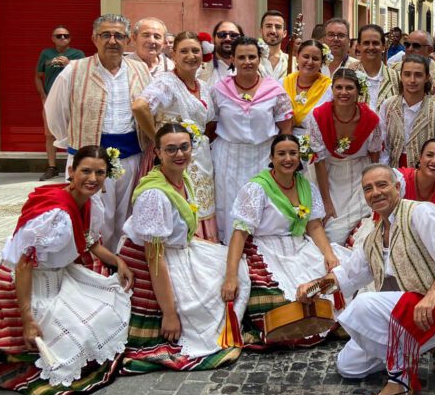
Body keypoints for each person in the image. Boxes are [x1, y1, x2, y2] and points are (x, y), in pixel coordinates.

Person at [0, 146, 133, 395]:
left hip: (53, 275)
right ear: (71, 172)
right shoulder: (54, 215)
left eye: (100, 172)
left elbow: (90, 242)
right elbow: (23, 266)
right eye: (86, 171)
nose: (93, 179)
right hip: (22, 283)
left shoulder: (87, 202)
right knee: (77, 336)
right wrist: (27, 319)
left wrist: (118, 262)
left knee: (107, 307)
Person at [297, 164, 435, 395]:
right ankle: (429, 347)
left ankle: (400, 382)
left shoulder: (420, 213)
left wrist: (432, 295)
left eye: (382, 185)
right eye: (368, 189)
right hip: (401, 317)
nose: (375, 192)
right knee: (348, 366)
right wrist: (314, 285)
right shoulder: (373, 236)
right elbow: (347, 275)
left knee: (363, 304)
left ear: (398, 187)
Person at [119, 124, 250, 372]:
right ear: (157, 152)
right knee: (204, 303)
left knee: (235, 266)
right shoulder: (154, 195)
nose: (179, 154)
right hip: (155, 259)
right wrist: (169, 313)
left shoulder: (183, 178)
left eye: (184, 147)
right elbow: (154, 258)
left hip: (177, 249)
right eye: (170, 149)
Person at [221, 134, 351, 348]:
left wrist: (329, 254)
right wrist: (231, 276)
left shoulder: (306, 186)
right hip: (265, 248)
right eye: (281, 153)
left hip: (299, 246)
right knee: (280, 296)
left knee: (340, 271)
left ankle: (331, 322)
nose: (288, 158)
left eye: (293, 153)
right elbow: (240, 233)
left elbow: (314, 225)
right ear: (271, 157)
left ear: (300, 157)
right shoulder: (257, 188)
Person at [45, 14, 151, 251]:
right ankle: (91, 269)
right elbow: (55, 113)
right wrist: (76, 143)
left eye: (119, 36)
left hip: (132, 157)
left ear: (128, 41)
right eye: (106, 35)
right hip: (89, 159)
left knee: (126, 218)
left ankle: (119, 267)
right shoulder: (74, 70)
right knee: (91, 217)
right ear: (94, 39)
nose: (112, 41)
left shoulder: (140, 70)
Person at [132, 31, 219, 241]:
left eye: (195, 50)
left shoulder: (204, 87)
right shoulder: (166, 83)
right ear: (174, 55)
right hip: (172, 159)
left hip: (200, 161)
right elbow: (139, 106)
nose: (191, 56)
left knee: (200, 205)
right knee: (177, 209)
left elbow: (209, 122)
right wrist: (158, 140)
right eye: (184, 51)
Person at [209, 36, 293, 240]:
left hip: (263, 156)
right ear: (233, 60)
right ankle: (230, 254)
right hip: (228, 157)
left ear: (259, 59)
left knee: (262, 204)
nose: (247, 61)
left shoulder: (274, 90)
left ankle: (258, 259)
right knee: (229, 206)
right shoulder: (219, 90)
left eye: (252, 57)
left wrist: (281, 159)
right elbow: (210, 124)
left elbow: (286, 127)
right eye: (241, 57)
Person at [304, 68, 384, 244]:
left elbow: (374, 157)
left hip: (358, 175)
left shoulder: (371, 119)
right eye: (338, 87)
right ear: (332, 90)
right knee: (322, 226)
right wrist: (326, 201)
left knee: (350, 229)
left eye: (349, 88)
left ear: (358, 91)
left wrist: (372, 188)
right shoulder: (318, 116)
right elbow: (319, 160)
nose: (343, 93)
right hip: (325, 174)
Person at [380, 54, 435, 170]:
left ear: (427, 78)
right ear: (401, 76)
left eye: (418, 75)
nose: (412, 80)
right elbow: (382, 146)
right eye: (407, 74)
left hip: (426, 178)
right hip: (393, 175)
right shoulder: (388, 106)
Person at [35, 25, 85, 181]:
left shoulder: (78, 54)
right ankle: (52, 167)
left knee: (75, 132)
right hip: (50, 98)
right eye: (59, 36)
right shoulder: (46, 54)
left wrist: (69, 64)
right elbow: (38, 75)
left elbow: (84, 75)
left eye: (66, 36)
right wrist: (43, 95)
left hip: (71, 99)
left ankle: (75, 167)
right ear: (53, 39)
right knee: (49, 133)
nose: (63, 38)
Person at [284, 40, 334, 137]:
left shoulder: (329, 89)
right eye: (306, 57)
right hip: (286, 141)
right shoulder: (283, 83)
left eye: (315, 59)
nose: (310, 62)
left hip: (317, 143)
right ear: (297, 57)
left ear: (322, 63)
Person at [355, 24, 400, 108]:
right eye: (366, 43)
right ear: (358, 46)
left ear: (383, 46)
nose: (371, 47)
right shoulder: (348, 74)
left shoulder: (397, 78)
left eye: (375, 43)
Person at [198, 20, 243, 86]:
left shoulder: (256, 69)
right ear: (213, 39)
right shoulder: (200, 70)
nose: (228, 39)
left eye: (233, 35)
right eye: (222, 34)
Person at [259, 10, 291, 82]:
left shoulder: (293, 62)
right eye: (268, 26)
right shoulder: (251, 60)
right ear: (261, 31)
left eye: (278, 27)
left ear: (284, 33)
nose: (273, 31)